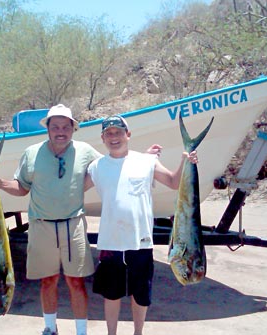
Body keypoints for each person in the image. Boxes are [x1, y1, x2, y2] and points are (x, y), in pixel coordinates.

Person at [0, 104, 102, 335]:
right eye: (55, 126)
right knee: (48, 280)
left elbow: (106, 169)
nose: (60, 131)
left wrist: (144, 159)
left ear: (73, 129)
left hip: (73, 226)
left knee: (76, 282)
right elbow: (22, 188)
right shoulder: (31, 153)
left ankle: (81, 332)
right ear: (47, 128)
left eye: (65, 127)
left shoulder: (86, 151)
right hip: (41, 226)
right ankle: (49, 328)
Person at [84, 115, 198, 335]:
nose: (113, 137)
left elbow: (174, 183)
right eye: (109, 133)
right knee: (112, 294)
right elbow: (74, 191)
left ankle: (138, 332)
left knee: (141, 294)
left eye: (118, 132)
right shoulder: (97, 167)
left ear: (128, 134)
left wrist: (186, 161)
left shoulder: (147, 161)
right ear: (103, 138)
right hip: (110, 242)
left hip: (141, 241)